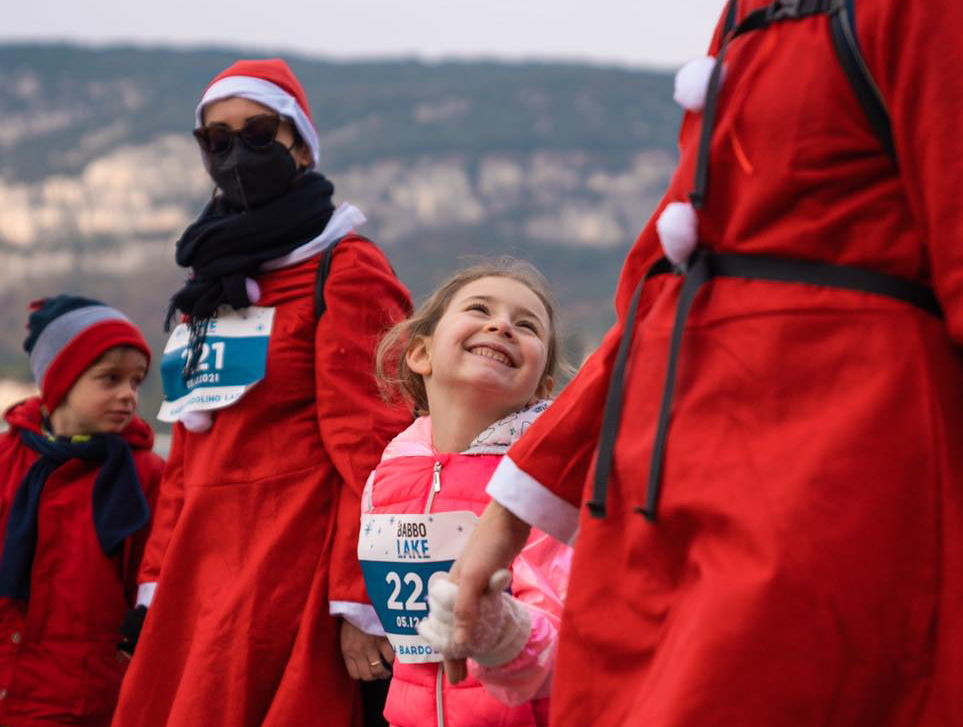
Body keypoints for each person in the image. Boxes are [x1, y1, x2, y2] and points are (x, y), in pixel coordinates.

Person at [445, 1, 963, 725]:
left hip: (828, 474)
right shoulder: (746, 14)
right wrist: (504, 518)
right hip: (658, 493)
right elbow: (653, 289)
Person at [111, 58, 412, 727]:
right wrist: (155, 585)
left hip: (295, 571)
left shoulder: (347, 268)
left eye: (257, 132)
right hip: (201, 575)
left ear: (300, 143)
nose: (236, 153)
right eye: (216, 140)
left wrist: (360, 600)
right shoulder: (207, 286)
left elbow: (374, 450)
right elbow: (188, 454)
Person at [350, 260, 571, 727]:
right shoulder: (386, 475)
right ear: (420, 355)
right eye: (479, 308)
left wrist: (503, 633)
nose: (502, 325)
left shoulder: (546, 486)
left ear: (541, 390)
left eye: (526, 325)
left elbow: (568, 637)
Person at [0, 295, 164, 727]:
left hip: (90, 697)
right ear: (60, 381)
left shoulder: (147, 474)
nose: (127, 395)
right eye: (110, 379)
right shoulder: (7, 461)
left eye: (136, 382)